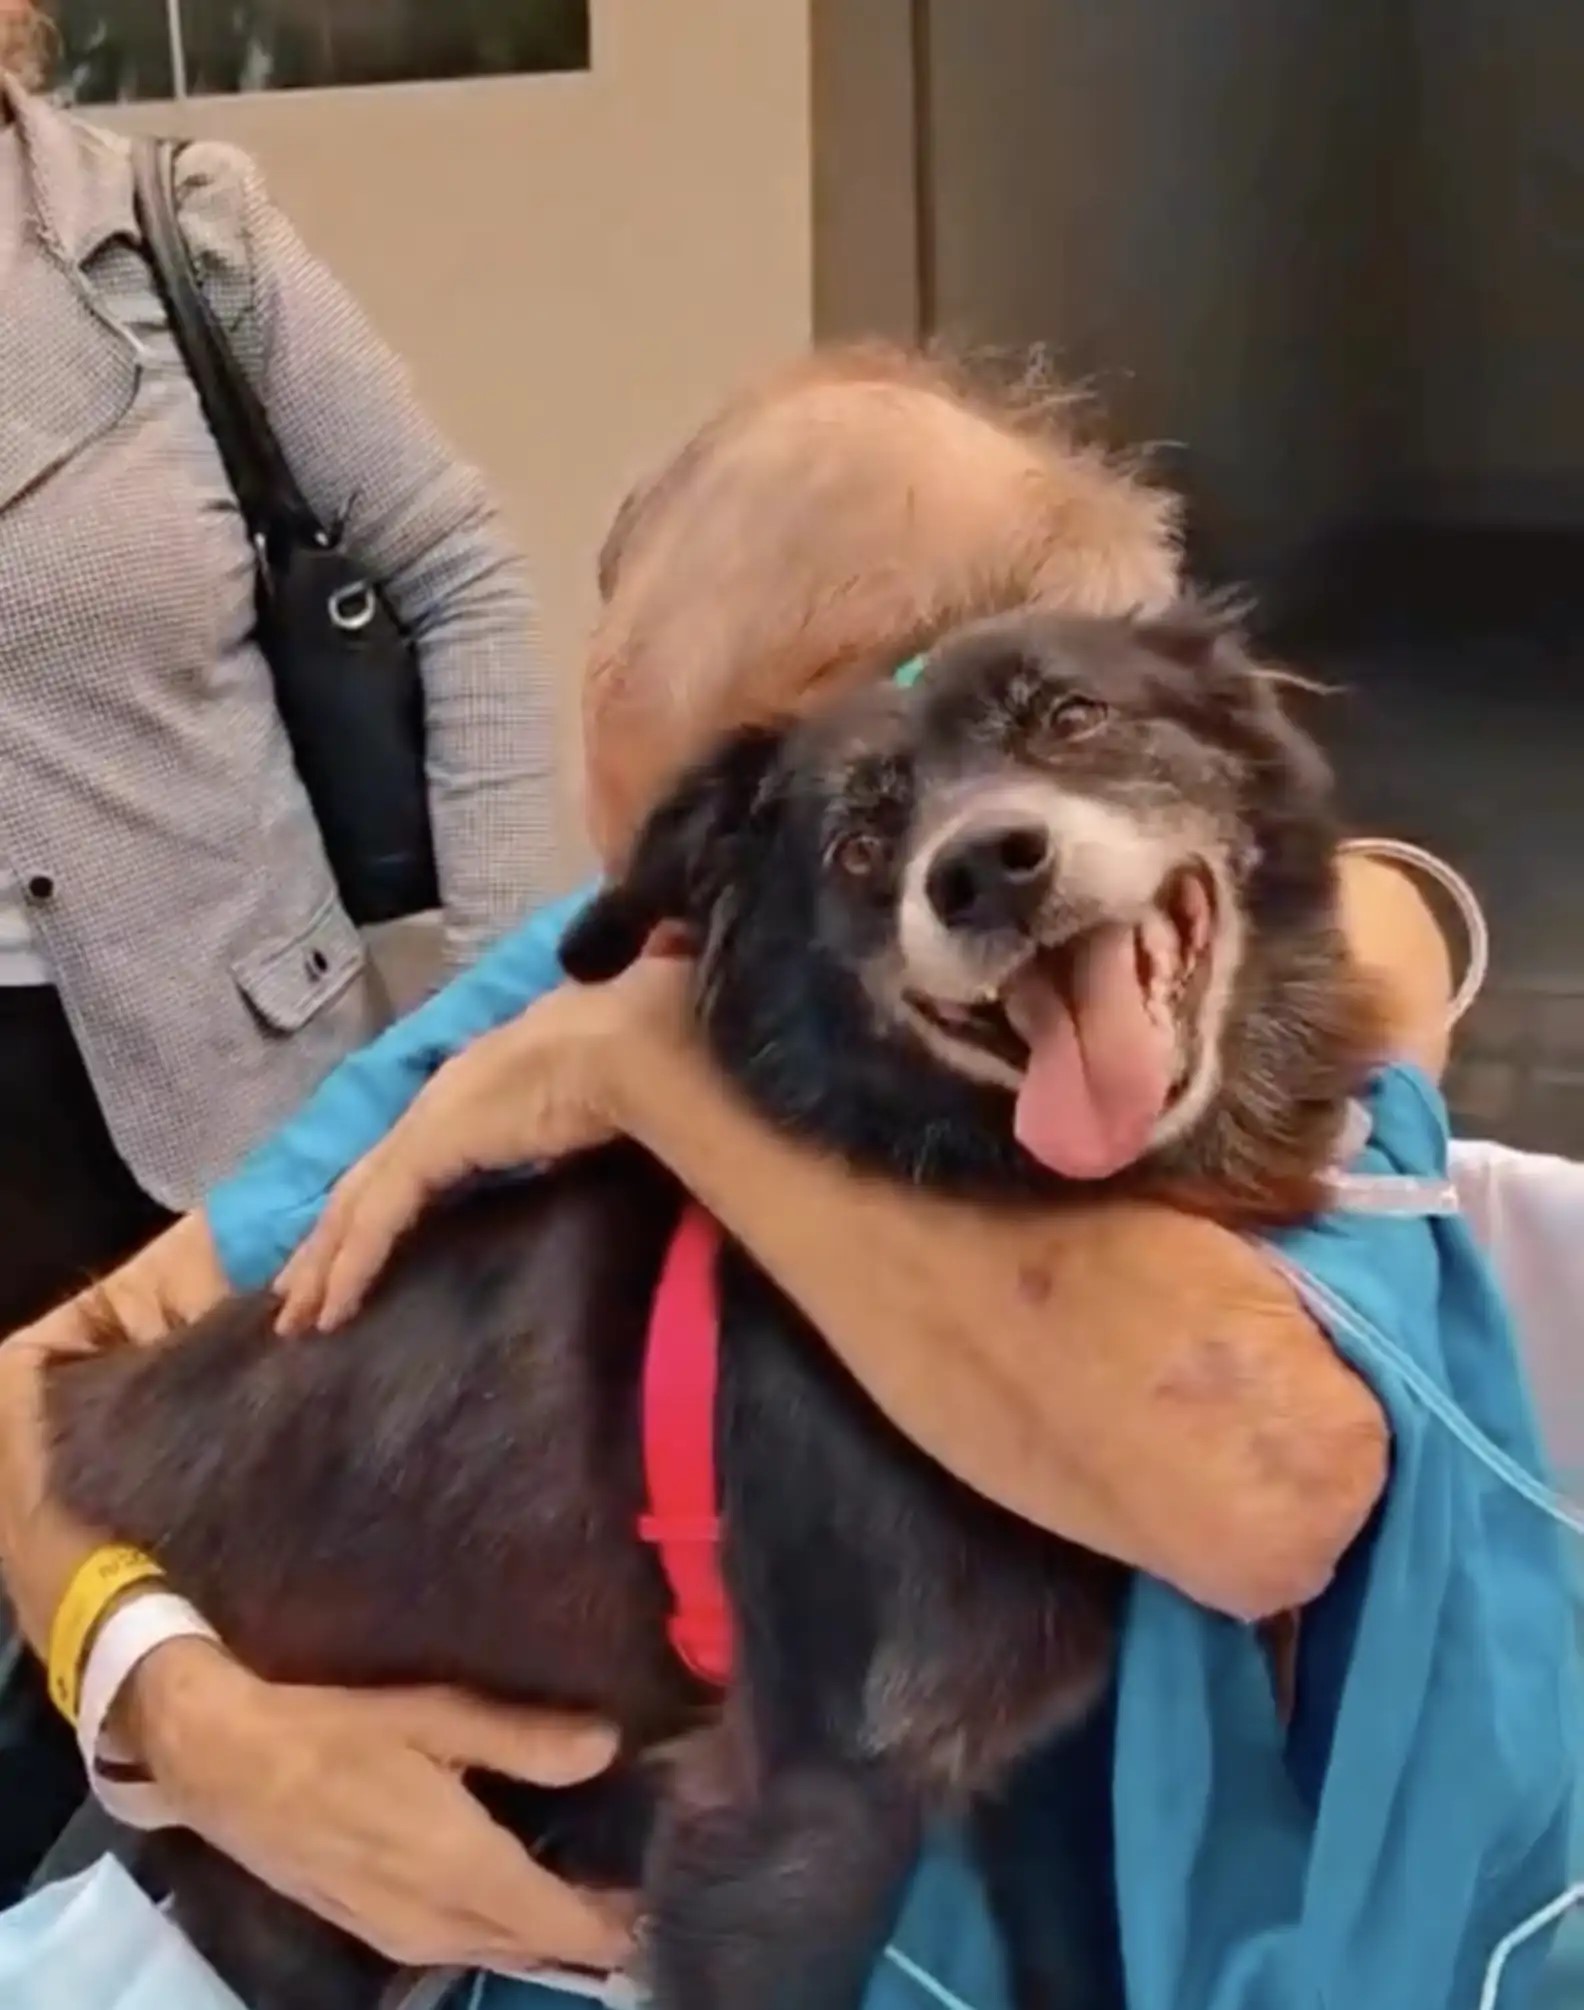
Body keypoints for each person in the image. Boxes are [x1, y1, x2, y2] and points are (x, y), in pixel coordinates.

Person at [0, 347, 1454, 1984]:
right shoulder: (640, 963)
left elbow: (1261, 1487)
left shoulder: (1232, 1004)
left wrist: (649, 1074)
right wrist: (189, 1721)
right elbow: (41, 1388)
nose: (686, 961)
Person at [0, 0, 559, 1900]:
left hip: (220, 1090)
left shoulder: (176, 232)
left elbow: (455, 568)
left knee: (258, 1683)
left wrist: (505, 1019)